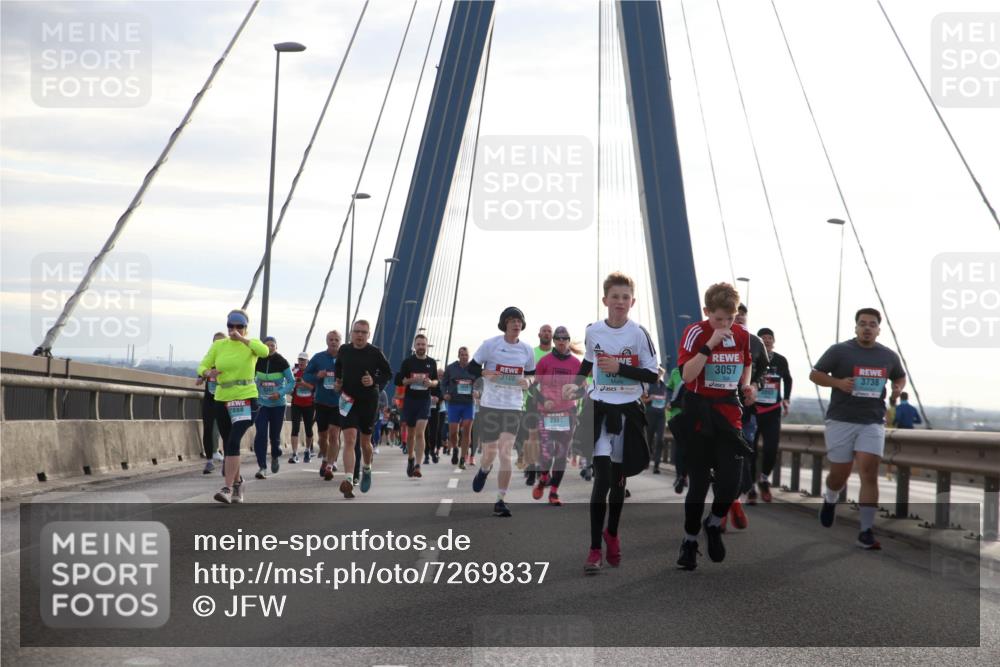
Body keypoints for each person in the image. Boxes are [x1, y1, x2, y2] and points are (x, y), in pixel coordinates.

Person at [563, 273, 659, 574]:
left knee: (619, 483)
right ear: (605, 300)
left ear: (632, 302)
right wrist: (576, 384)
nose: (619, 302)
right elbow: (589, 363)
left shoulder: (639, 334)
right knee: (602, 481)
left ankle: (612, 534)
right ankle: (594, 550)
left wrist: (620, 367)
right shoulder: (594, 332)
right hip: (601, 411)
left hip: (628, 413)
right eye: (614, 297)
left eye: (625, 297)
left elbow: (652, 375)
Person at [672, 283, 756, 570]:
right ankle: (689, 541)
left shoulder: (742, 335)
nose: (725, 325)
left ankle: (715, 522)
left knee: (731, 480)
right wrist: (710, 345)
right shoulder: (696, 332)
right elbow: (687, 375)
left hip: (729, 411)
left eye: (730, 319)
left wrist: (746, 385)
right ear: (707, 312)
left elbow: (746, 363)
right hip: (699, 413)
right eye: (719, 319)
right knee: (697, 486)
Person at [810, 308, 906, 550]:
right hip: (841, 419)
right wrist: (838, 383)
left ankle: (865, 531)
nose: (867, 328)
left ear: (878, 329)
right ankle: (831, 499)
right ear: (855, 327)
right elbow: (815, 374)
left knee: (869, 472)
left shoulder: (888, 355)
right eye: (862, 323)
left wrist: (896, 387)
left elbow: (899, 376)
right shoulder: (840, 351)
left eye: (872, 324)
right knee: (839, 474)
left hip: (872, 421)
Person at [468, 306, 536, 517]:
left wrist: (528, 381)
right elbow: (471, 368)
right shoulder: (490, 345)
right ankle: (484, 469)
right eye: (512, 320)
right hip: (490, 405)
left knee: (505, 453)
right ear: (505, 323)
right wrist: (484, 372)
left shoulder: (527, 350)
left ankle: (501, 500)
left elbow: (533, 375)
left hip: (513, 406)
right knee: (489, 454)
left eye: (519, 321)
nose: (516, 324)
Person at [197, 309, 269, 504]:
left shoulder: (252, 345)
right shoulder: (219, 345)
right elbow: (202, 365)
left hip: (246, 398)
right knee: (228, 441)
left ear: (246, 328)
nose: (234, 330)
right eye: (231, 326)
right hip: (223, 398)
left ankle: (227, 488)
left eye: (239, 326)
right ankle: (238, 483)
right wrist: (207, 372)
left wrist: (244, 340)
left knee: (233, 440)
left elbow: (265, 352)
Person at [334, 320, 393, 498]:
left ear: (368, 335)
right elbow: (338, 367)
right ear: (351, 333)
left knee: (365, 443)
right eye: (357, 331)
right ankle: (349, 479)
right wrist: (338, 382)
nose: (359, 335)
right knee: (350, 439)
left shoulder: (375, 353)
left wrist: (374, 381)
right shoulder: (344, 350)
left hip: (368, 401)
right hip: (348, 400)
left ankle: (367, 468)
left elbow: (388, 374)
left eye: (363, 332)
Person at [532, 326, 582, 506]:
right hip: (546, 413)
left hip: (567, 413)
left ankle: (554, 492)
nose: (561, 341)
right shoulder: (545, 361)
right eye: (558, 338)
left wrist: (574, 395)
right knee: (547, 452)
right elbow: (532, 386)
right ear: (554, 341)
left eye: (564, 338)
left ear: (569, 340)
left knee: (561, 454)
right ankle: (544, 477)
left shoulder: (577, 364)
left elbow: (583, 389)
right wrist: (543, 400)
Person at [733, 303, 768, 513]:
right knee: (726, 456)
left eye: (742, 314)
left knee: (744, 451)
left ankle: (741, 492)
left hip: (746, 409)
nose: (738, 317)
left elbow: (763, 372)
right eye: (734, 313)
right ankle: (734, 496)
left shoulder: (755, 342)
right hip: (721, 406)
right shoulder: (716, 338)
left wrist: (755, 386)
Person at [752, 327, 792, 502]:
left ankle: (764, 478)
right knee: (750, 450)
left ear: (773, 341)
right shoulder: (753, 358)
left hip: (772, 410)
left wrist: (787, 399)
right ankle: (750, 486)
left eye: (770, 338)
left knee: (771, 448)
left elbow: (788, 379)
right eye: (763, 338)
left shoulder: (781, 360)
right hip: (753, 409)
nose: (767, 340)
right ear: (759, 341)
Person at [395, 334, 439, 478]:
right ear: (415, 346)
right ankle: (410, 459)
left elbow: (436, 382)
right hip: (410, 401)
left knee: (420, 433)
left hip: (424, 401)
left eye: (423, 344)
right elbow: (401, 380)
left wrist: (430, 383)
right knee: (411, 434)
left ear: (427, 346)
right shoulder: (408, 362)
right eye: (418, 344)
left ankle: (418, 466)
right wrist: (411, 380)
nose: (421, 347)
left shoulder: (432, 363)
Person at [302, 331, 342, 482]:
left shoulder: (344, 358)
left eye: (336, 340)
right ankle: (325, 458)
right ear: (327, 341)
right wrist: (317, 376)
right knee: (322, 437)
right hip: (321, 402)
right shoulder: (318, 358)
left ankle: (330, 465)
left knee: (334, 433)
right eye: (331, 339)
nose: (333, 342)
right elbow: (306, 376)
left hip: (338, 403)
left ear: (340, 341)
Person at [252, 336, 295, 479]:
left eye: (273, 345)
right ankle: (262, 467)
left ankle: (275, 454)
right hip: (261, 404)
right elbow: (250, 378)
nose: (270, 347)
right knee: (261, 434)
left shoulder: (282, 362)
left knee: (274, 437)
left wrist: (280, 393)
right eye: (267, 345)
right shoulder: (256, 360)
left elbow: (291, 382)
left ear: (276, 347)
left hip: (278, 405)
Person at [194, 331, 226, 473]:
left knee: (225, 430)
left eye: (221, 342)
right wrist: (202, 377)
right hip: (209, 398)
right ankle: (209, 461)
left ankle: (227, 458)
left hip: (225, 399)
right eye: (215, 342)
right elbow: (199, 376)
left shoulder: (228, 360)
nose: (217, 344)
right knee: (207, 428)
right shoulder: (209, 359)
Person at [443, 347, 476, 469]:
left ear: (469, 356)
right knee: (453, 433)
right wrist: (444, 393)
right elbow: (443, 383)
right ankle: (455, 448)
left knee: (467, 430)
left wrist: (478, 392)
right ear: (458, 356)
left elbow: (480, 383)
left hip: (468, 403)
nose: (464, 357)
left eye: (466, 355)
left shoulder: (473, 368)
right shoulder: (451, 368)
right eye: (462, 355)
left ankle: (462, 459)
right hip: (454, 403)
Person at [289, 352, 316, 463]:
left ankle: (307, 450)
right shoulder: (293, 371)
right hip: (296, 404)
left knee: (308, 429)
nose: (301, 362)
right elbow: (289, 386)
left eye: (303, 360)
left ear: (307, 362)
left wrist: (303, 383)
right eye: (300, 360)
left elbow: (314, 388)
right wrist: (293, 387)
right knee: (295, 428)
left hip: (309, 405)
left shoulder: (312, 373)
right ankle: (295, 453)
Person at [641, 366, 668, 474]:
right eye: (657, 373)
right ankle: (646, 461)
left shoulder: (663, 386)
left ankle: (656, 465)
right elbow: (642, 399)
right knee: (649, 439)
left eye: (660, 373)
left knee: (660, 440)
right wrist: (650, 399)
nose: (658, 375)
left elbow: (667, 398)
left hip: (661, 416)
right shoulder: (648, 385)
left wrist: (666, 403)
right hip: (650, 415)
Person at [665, 365, 687, 493]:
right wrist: (669, 401)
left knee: (688, 448)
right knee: (681, 446)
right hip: (676, 415)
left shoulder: (698, 370)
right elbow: (669, 390)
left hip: (690, 415)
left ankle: (684, 476)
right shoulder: (675, 372)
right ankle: (680, 476)